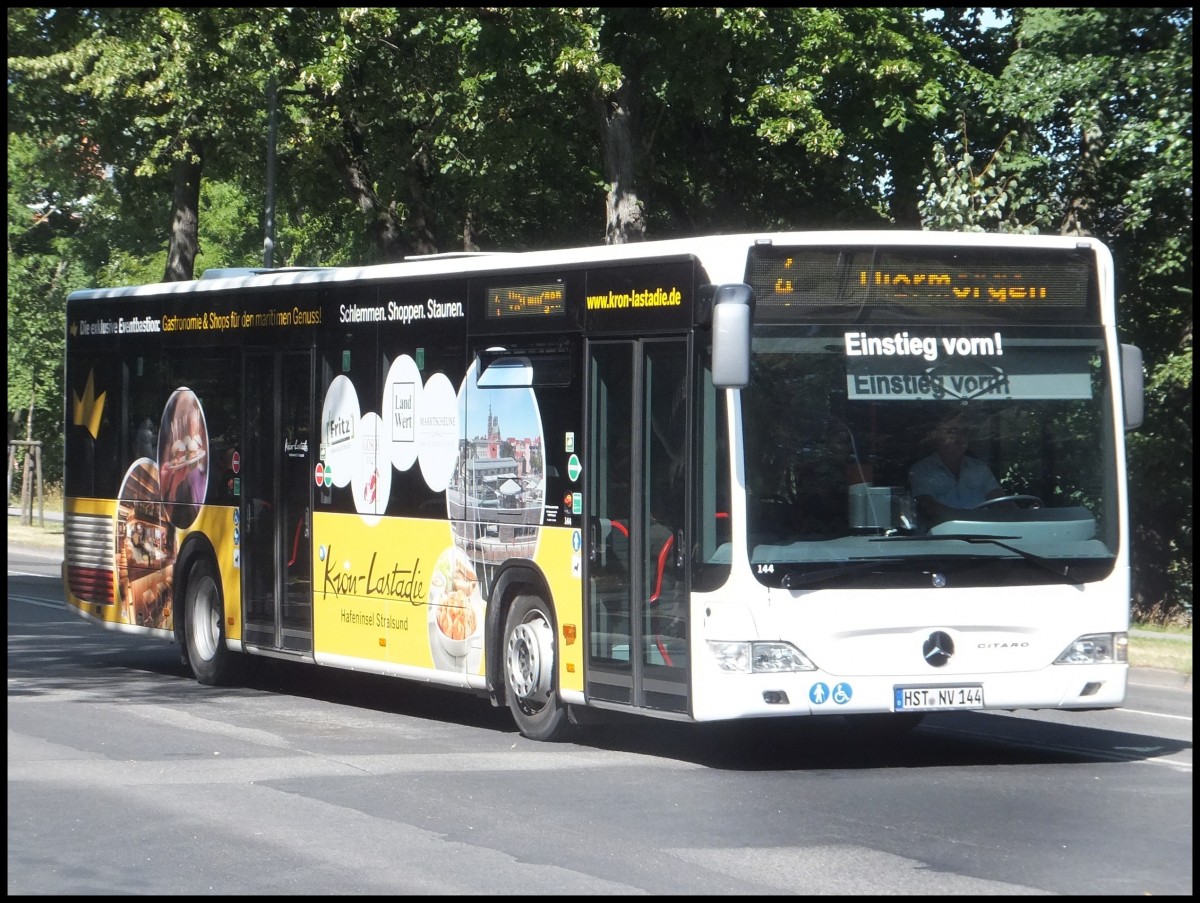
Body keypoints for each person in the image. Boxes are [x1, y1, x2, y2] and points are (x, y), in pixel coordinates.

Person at [908, 412, 1004, 516]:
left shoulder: (979, 468)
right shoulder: (922, 470)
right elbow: (928, 508)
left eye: (965, 432)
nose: (959, 438)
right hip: (942, 531)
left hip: (982, 530)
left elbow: (1002, 503)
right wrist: (967, 519)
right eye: (952, 432)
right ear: (936, 435)